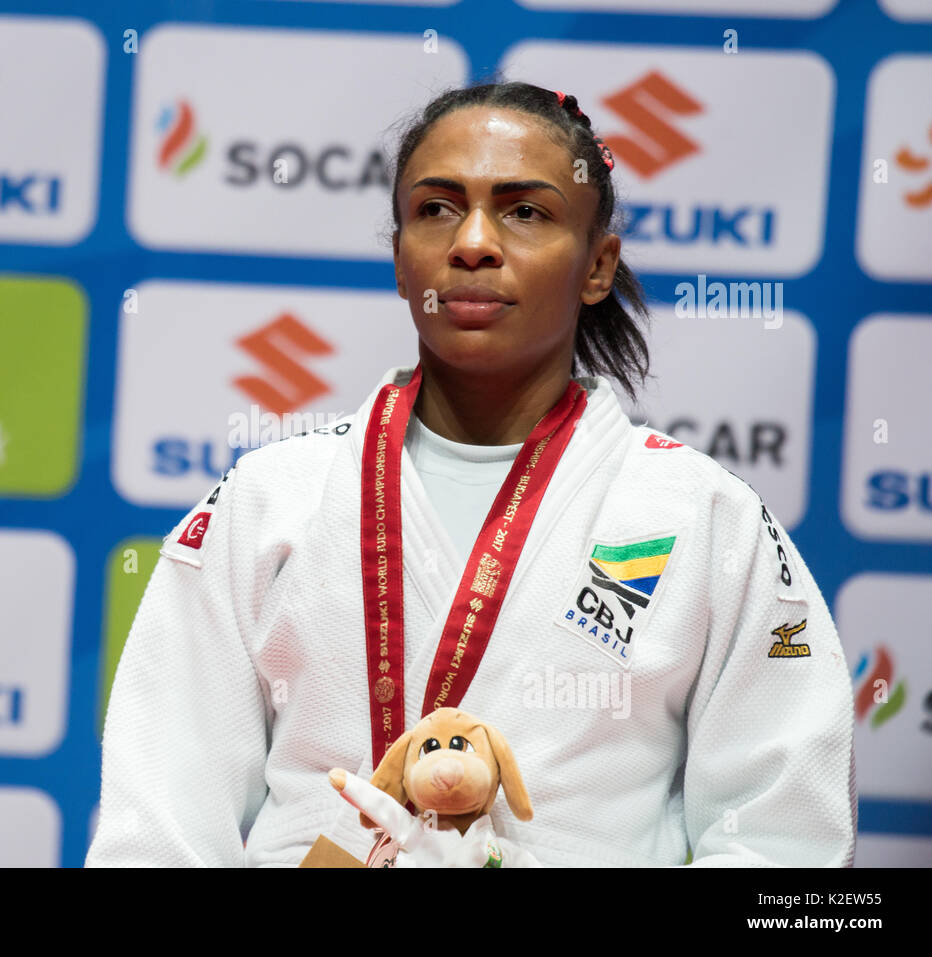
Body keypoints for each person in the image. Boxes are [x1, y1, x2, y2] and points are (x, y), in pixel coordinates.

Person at [85, 80, 857, 867]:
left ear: (597, 265)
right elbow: (158, 825)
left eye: (526, 210)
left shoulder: (701, 516)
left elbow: (780, 839)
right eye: (436, 208)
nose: (474, 242)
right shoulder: (270, 499)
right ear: (397, 258)